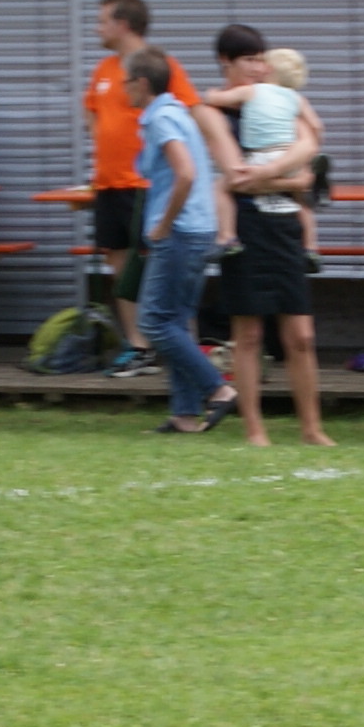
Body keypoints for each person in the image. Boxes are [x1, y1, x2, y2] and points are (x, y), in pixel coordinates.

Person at [205, 29, 330, 449]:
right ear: (226, 61)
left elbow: (309, 152)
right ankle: (254, 430)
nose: (258, 68)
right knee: (249, 335)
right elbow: (236, 177)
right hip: (245, 229)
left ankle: (312, 428)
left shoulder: (276, 99)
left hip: (286, 225)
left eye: (262, 59)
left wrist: (273, 175)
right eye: (249, 60)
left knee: (302, 336)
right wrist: (287, 178)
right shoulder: (215, 112)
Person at [82, 0, 203, 373]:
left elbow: (189, 113)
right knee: (119, 265)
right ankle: (139, 348)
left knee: (159, 265)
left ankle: (181, 347)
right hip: (108, 183)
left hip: (145, 185)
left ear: (123, 25)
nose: (97, 28)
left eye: (102, 21)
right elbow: (91, 113)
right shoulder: (103, 69)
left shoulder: (160, 65)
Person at [130, 45, 230, 435]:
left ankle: (217, 389)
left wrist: (163, 224)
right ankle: (184, 414)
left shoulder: (161, 118)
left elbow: (185, 173)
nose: (124, 89)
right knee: (176, 321)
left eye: (126, 82)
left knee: (153, 322)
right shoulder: (179, 113)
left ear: (141, 83)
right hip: (199, 228)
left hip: (180, 231)